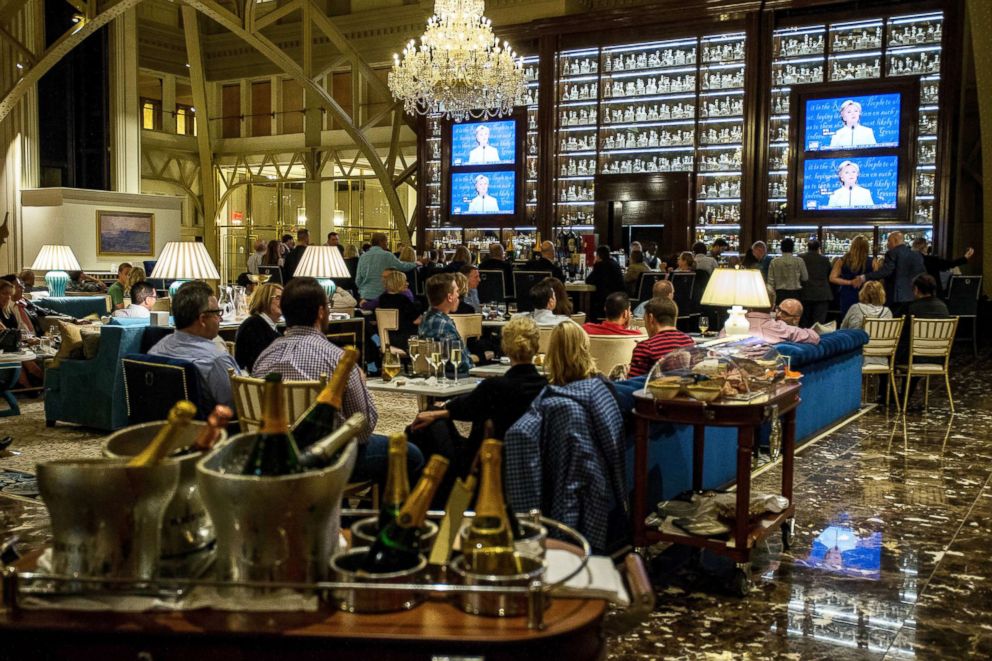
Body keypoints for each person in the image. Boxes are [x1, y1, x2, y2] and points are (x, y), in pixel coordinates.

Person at [252, 277, 421, 484]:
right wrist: (361, 382)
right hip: (330, 458)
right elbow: (363, 428)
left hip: (274, 458)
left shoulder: (265, 357)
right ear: (321, 312)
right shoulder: (337, 360)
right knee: (411, 454)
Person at [504, 320, 627, 553]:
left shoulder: (547, 401)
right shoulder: (595, 394)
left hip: (553, 501)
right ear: (584, 348)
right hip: (593, 500)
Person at [408, 317, 547, 502]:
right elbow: (466, 406)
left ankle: (415, 498)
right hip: (531, 464)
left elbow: (465, 407)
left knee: (422, 427)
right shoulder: (546, 388)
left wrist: (436, 412)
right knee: (432, 416)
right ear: (536, 348)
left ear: (505, 347)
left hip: (480, 465)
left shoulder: (493, 387)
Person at [148, 281, 241, 410]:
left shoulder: (157, 349)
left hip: (164, 426)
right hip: (211, 428)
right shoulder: (216, 359)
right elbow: (239, 405)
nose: (221, 319)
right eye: (217, 313)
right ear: (202, 319)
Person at [418, 273, 472, 373]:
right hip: (452, 377)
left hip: (432, 375)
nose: (458, 295)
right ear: (450, 297)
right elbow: (462, 364)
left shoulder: (426, 318)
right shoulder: (444, 325)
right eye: (457, 291)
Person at [862, 231, 925, 316]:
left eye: (889, 241)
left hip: (896, 297)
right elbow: (922, 274)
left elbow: (886, 271)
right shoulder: (917, 255)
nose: (887, 244)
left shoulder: (892, 253)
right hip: (914, 296)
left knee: (894, 323)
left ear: (895, 240)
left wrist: (865, 277)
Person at [627, 297, 695, 378]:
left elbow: (633, 385)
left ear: (650, 318)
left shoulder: (645, 347)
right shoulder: (689, 342)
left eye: (644, 319)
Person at [735, 289, 819, 345]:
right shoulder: (782, 329)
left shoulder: (731, 325)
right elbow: (814, 337)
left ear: (748, 305)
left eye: (785, 313)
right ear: (773, 307)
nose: (778, 315)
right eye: (778, 310)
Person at [355, 232, 417, 304]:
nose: (387, 244)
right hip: (381, 296)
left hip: (365, 296)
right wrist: (415, 264)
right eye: (386, 241)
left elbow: (358, 280)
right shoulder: (387, 256)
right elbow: (402, 266)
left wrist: (363, 290)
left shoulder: (363, 257)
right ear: (382, 242)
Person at [234, 283, 283, 372]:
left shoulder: (271, 326)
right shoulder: (252, 325)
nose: (283, 302)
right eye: (278, 298)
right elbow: (257, 363)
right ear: (265, 299)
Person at [377, 270, 422, 353]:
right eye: (405, 281)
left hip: (388, 338)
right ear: (398, 283)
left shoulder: (382, 299)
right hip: (406, 340)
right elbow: (417, 320)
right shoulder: (403, 299)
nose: (407, 283)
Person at [830, 234, 875, 317]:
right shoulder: (872, 261)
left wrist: (850, 282)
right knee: (866, 318)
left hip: (847, 293)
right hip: (866, 293)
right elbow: (877, 278)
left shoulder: (842, 260)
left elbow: (832, 278)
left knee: (848, 317)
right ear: (867, 247)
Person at [586, 245, 626, 322]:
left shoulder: (599, 265)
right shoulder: (616, 264)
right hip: (619, 298)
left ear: (598, 256)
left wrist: (595, 263)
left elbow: (588, 280)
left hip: (603, 300)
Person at [799, 239, 833, 327]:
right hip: (822, 294)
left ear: (808, 247)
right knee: (818, 323)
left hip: (805, 293)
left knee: (804, 321)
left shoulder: (800, 258)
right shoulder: (825, 259)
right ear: (818, 248)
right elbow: (829, 274)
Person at [767, 238, 809, 306]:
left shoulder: (774, 262)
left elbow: (770, 282)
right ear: (792, 248)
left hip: (780, 294)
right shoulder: (799, 261)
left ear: (781, 248)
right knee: (795, 314)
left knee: (781, 314)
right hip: (796, 293)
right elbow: (805, 278)